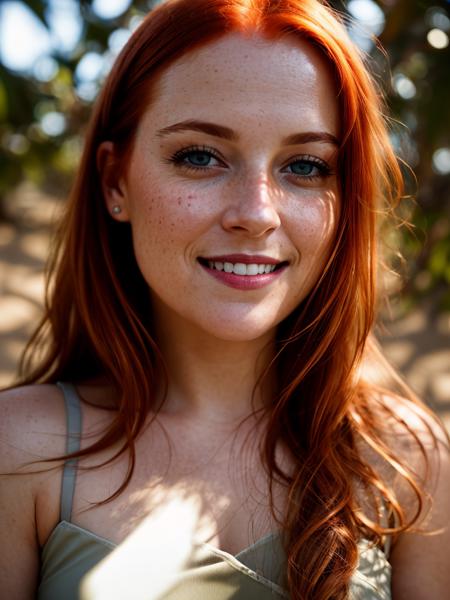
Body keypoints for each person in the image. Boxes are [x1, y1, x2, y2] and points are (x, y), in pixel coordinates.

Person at [1, 0, 449, 598]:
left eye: (306, 167)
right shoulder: (21, 451)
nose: (257, 214)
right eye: (199, 156)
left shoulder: (405, 461)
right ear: (116, 182)